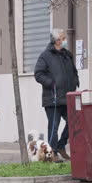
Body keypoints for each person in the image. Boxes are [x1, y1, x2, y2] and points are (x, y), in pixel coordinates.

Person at [34, 28, 79, 160]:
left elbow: (74, 71)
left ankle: (61, 145)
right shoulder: (45, 55)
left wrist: (75, 81)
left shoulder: (67, 55)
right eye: (63, 38)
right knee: (53, 127)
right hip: (52, 98)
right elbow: (38, 74)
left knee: (73, 122)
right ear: (57, 41)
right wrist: (51, 83)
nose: (65, 40)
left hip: (67, 97)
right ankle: (52, 154)